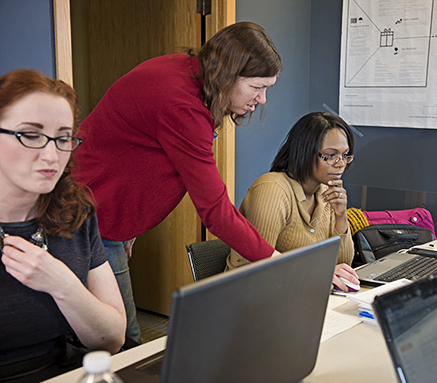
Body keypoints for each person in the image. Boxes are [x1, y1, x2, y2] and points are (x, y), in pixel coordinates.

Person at [72, 21, 283, 344]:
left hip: (105, 213)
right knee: (121, 341)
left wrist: (132, 225)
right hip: (87, 216)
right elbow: (214, 209)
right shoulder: (182, 104)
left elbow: (136, 155)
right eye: (257, 87)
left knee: (115, 336)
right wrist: (277, 261)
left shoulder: (188, 72)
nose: (263, 99)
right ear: (228, 76)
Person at [0, 69, 126, 383]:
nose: (51, 155)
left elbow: (112, 339)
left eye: (63, 137)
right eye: (30, 135)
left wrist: (61, 283)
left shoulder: (75, 213)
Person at [226, 112, 360, 292]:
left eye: (345, 155)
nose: (340, 163)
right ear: (304, 152)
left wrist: (341, 215)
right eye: (330, 155)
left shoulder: (325, 192)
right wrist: (314, 274)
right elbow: (254, 272)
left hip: (299, 296)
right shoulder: (272, 190)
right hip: (254, 302)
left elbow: (343, 268)